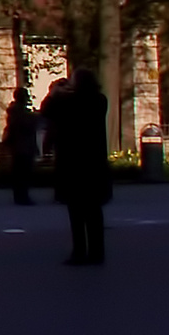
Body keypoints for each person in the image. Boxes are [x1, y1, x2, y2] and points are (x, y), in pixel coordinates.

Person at [46, 69, 110, 266]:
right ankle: (97, 251)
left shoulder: (68, 103)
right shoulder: (99, 100)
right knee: (94, 210)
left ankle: (80, 251)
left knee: (76, 211)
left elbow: (46, 111)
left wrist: (55, 92)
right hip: (94, 161)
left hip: (73, 163)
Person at [4, 89, 37, 205]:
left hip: (19, 145)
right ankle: (22, 196)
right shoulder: (19, 113)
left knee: (20, 172)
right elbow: (26, 125)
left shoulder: (15, 112)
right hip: (23, 145)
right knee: (23, 172)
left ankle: (20, 195)